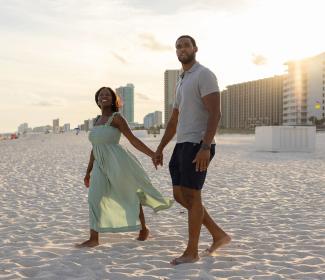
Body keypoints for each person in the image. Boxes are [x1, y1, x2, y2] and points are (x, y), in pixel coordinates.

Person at [153, 35, 231, 265]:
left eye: (186, 45)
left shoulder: (203, 74)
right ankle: (218, 235)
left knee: (193, 196)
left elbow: (215, 113)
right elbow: (174, 120)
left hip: (198, 143)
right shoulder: (181, 80)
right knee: (180, 195)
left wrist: (206, 146)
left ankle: (192, 251)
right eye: (178, 46)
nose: (182, 48)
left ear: (195, 48)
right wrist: (159, 148)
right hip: (182, 144)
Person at [78, 87, 173, 247]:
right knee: (94, 198)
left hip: (117, 163)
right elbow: (95, 148)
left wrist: (152, 154)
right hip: (100, 165)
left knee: (129, 194)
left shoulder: (117, 118)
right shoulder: (96, 121)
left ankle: (143, 229)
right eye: (101, 95)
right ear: (97, 100)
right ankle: (94, 238)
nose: (104, 97)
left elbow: (133, 140)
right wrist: (88, 171)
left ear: (113, 99)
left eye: (107, 94)